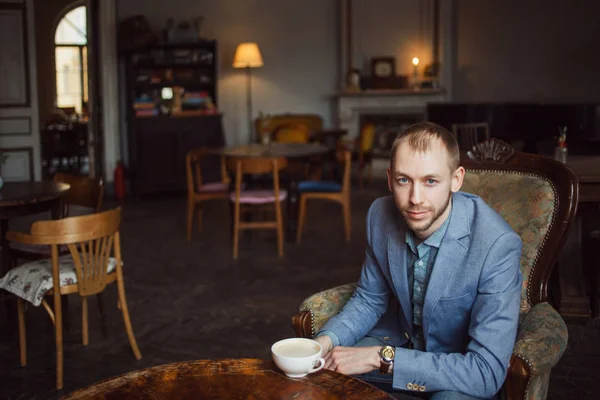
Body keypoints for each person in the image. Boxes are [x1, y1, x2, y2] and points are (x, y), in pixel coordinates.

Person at [314, 122, 522, 400]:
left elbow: (485, 372)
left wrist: (382, 357)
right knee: (322, 379)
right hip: (400, 340)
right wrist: (322, 343)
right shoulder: (379, 214)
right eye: (404, 180)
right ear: (390, 179)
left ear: (456, 179)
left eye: (430, 181)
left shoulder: (497, 244)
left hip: (455, 370)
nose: (415, 199)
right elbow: (370, 299)